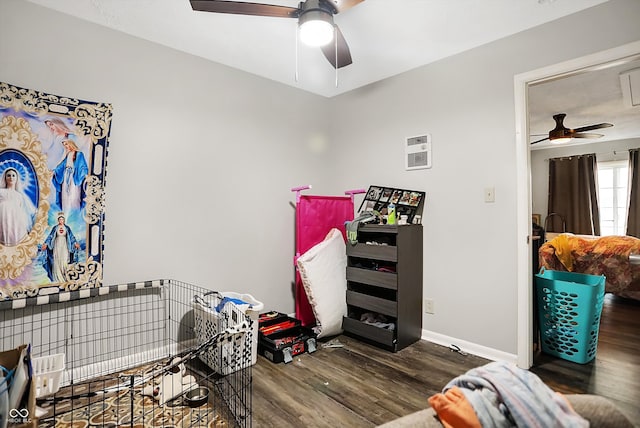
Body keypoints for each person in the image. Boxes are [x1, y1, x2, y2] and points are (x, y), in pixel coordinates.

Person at [0, 167, 36, 246]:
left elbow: (23, 211)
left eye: (13, 175)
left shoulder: (19, 196)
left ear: (17, 178)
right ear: (5, 178)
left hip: (16, 223)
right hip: (2, 220)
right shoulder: (1, 192)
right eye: (8, 175)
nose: (11, 178)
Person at [41, 212, 80, 283]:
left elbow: (71, 237)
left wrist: (75, 243)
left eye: (62, 219)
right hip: (57, 245)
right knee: (58, 260)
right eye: (60, 219)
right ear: (58, 220)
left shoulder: (67, 228)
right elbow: (50, 236)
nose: (61, 221)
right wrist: (46, 244)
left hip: (65, 245)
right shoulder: (55, 228)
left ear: (64, 220)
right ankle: (58, 277)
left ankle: (65, 276)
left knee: (65, 259)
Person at [52, 138, 88, 213]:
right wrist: (55, 171)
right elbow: (62, 165)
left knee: (73, 194)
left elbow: (83, 166)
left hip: (74, 178)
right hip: (66, 177)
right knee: (65, 194)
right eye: (64, 145)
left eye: (66, 144)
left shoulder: (79, 154)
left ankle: (74, 212)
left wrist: (84, 173)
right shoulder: (68, 154)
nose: (66, 146)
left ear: (71, 143)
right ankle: (66, 211)